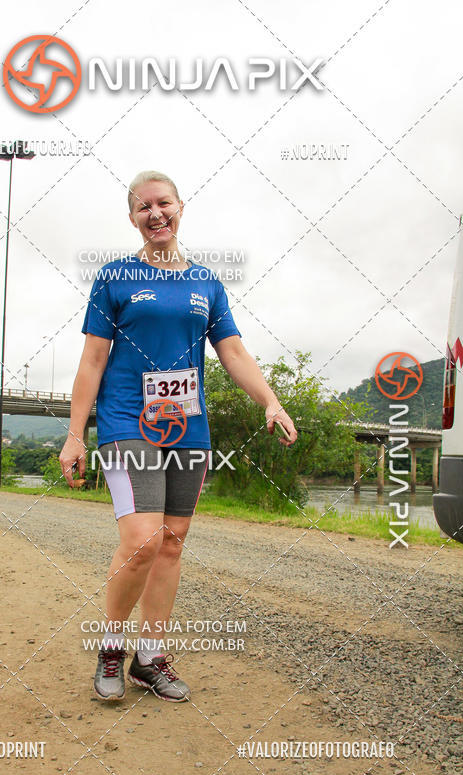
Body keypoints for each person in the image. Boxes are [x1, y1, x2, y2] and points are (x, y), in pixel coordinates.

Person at [59, 170, 297, 703]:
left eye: (163, 203)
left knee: (170, 543)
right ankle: (113, 647)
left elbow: (232, 351)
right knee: (142, 538)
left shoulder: (207, 284)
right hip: (125, 422)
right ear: (132, 219)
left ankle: (151, 657)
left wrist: (271, 400)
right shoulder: (115, 277)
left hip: (188, 427)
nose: (156, 214)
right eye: (144, 208)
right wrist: (76, 433)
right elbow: (92, 358)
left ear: (181, 207)